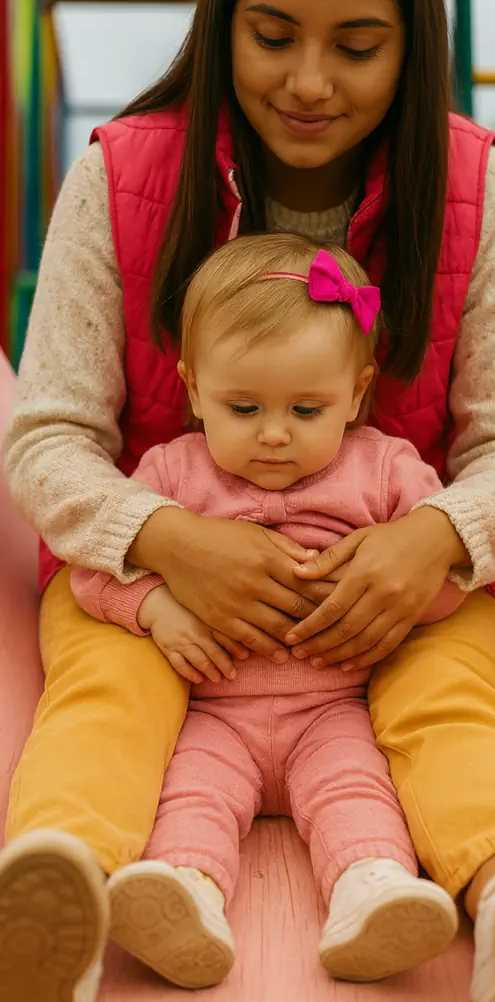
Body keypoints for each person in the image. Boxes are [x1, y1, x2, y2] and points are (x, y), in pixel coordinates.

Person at [2, 0, 495, 1002]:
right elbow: (46, 436)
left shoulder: (470, 192)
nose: (308, 80)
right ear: (222, 18)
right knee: (105, 694)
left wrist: (429, 541)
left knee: (447, 699)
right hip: (159, 582)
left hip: (395, 579)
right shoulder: (124, 172)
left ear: (409, 42)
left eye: (356, 45)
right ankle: (57, 896)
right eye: (272, 33)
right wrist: (162, 544)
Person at [70, 231, 466, 988]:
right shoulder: (172, 474)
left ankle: (372, 895)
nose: (275, 432)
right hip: (213, 714)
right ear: (192, 389)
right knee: (190, 797)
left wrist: (403, 603)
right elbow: (91, 575)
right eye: (243, 406)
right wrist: (155, 608)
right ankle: (186, 899)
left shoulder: (384, 471)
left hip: (336, 708)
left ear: (356, 393)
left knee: (356, 792)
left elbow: (448, 574)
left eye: (308, 408)